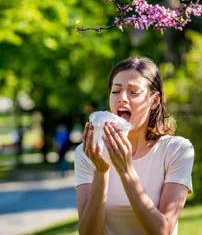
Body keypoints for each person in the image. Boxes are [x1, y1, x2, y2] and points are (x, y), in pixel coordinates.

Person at [74, 56, 194, 235]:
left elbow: (163, 231)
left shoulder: (177, 150)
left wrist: (126, 170)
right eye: (115, 91)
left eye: (133, 92)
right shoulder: (88, 153)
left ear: (154, 101)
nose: (122, 98)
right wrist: (101, 171)